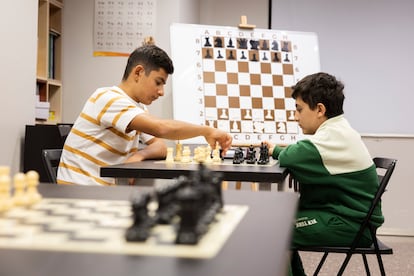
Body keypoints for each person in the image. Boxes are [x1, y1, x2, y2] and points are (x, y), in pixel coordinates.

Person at [57, 44, 232, 186]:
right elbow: (161, 129)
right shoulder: (107, 98)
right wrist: (206, 131)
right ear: (139, 72)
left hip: (104, 189)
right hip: (82, 191)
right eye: (158, 82)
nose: (161, 92)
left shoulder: (137, 109)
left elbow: (160, 146)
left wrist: (138, 155)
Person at [264, 72, 383, 275]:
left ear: (319, 109)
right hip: (347, 217)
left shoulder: (330, 138)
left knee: (274, 230)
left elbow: (291, 156)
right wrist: (276, 149)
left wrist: (276, 150)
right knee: (275, 221)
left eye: (299, 109)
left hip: (351, 226)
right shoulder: (338, 130)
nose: (295, 117)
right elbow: (298, 153)